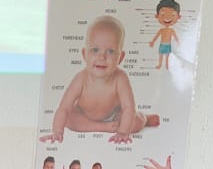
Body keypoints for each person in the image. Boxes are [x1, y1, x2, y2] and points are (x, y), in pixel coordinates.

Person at [40, 14, 162, 145]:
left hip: (114, 116)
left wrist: (123, 132)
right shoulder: (80, 79)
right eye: (95, 50)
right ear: (84, 54)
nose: (102, 56)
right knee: (69, 119)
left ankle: (146, 118)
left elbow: (128, 107)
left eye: (110, 51)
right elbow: (64, 107)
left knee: (135, 121)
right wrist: (57, 132)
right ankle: (100, 127)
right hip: (84, 115)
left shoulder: (120, 78)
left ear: (120, 57)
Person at [149, 0, 182, 70]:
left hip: (168, 44)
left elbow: (176, 37)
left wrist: (178, 42)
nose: (167, 18)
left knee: (167, 56)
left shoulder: (172, 30)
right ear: (157, 16)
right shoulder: (161, 30)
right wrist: (153, 42)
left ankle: (167, 65)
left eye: (172, 15)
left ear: (179, 17)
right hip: (162, 44)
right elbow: (156, 36)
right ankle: (160, 65)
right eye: (163, 14)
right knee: (160, 55)